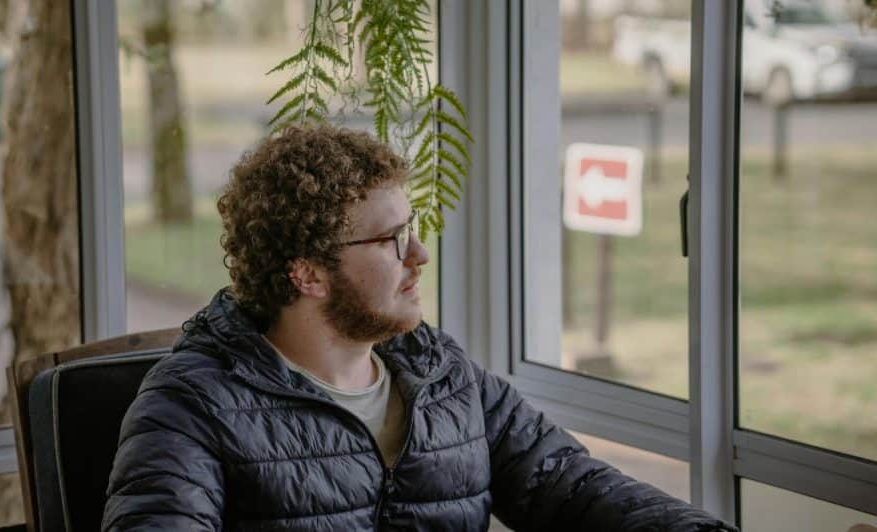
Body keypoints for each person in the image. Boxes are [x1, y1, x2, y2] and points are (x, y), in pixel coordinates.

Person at [102, 125, 738, 531]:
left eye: (412, 230)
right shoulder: (190, 404)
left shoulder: (439, 371)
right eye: (389, 240)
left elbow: (566, 486)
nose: (419, 256)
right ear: (308, 275)